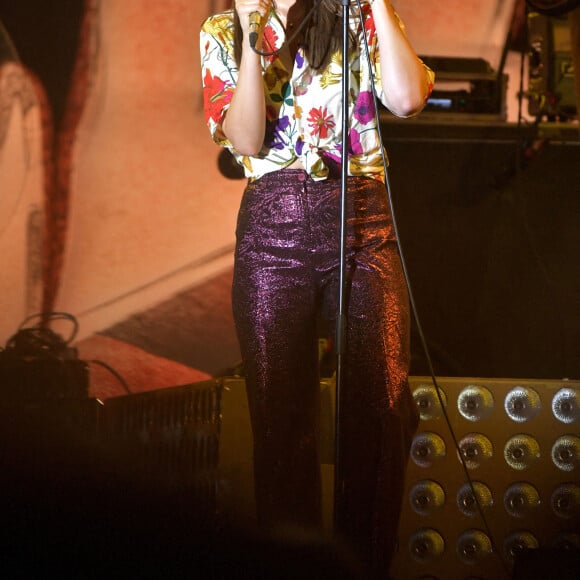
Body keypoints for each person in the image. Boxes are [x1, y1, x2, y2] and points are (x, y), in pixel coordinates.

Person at [200, 1, 434, 577]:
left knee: (379, 409)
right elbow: (248, 140)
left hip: (364, 221)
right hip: (273, 226)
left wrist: (376, 3)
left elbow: (406, 99)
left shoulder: (354, 13)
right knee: (282, 423)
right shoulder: (223, 30)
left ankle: (364, 566)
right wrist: (255, 35)